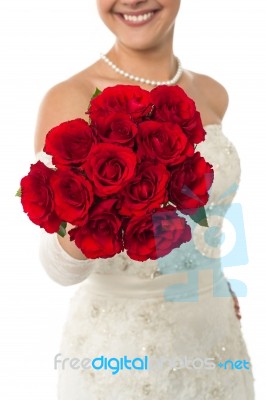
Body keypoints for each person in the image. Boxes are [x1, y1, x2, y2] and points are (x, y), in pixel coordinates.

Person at [34, 1, 255, 398]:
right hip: (121, 361)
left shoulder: (212, 93)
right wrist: (92, 206)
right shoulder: (70, 98)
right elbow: (57, 267)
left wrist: (213, 282)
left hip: (216, 343)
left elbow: (212, 216)